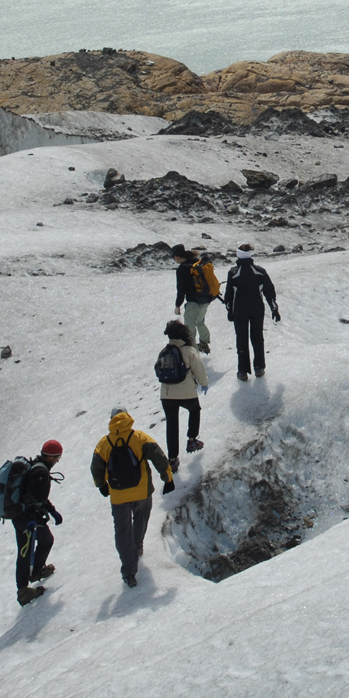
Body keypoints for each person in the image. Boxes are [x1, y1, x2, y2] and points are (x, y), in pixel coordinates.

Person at [91, 409, 175, 588]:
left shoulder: (104, 443)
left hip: (118, 495)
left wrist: (102, 485)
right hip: (141, 491)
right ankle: (137, 547)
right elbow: (158, 457)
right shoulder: (139, 437)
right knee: (141, 518)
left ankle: (129, 571)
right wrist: (168, 478)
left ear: (111, 420)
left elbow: (95, 467)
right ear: (128, 417)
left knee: (122, 531)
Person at [10, 440, 64, 606]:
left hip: (19, 515)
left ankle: (33, 576)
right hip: (28, 518)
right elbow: (31, 497)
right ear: (52, 457)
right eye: (58, 458)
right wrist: (33, 519)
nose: (58, 461)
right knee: (43, 542)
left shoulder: (37, 466)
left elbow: (38, 496)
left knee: (25, 551)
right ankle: (24, 590)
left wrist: (52, 511)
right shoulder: (41, 472)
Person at [223, 244, 280, 381]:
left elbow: (228, 295)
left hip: (239, 311)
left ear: (238, 255)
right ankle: (259, 368)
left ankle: (242, 371)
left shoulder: (233, 272)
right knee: (257, 338)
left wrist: (229, 310)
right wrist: (274, 308)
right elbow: (269, 291)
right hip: (257, 309)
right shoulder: (259, 271)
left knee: (241, 340)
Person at [156, 318, 209, 465]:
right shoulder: (189, 350)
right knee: (195, 409)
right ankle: (192, 440)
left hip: (166, 395)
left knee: (171, 425)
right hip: (186, 393)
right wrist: (204, 384)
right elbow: (199, 371)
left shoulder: (164, 351)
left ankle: (172, 459)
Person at [172, 244, 219, 353]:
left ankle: (192, 353)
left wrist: (177, 305)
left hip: (194, 302)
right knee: (199, 321)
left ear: (177, 256)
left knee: (189, 328)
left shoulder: (182, 269)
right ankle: (204, 342)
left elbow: (181, 290)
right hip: (206, 299)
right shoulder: (197, 263)